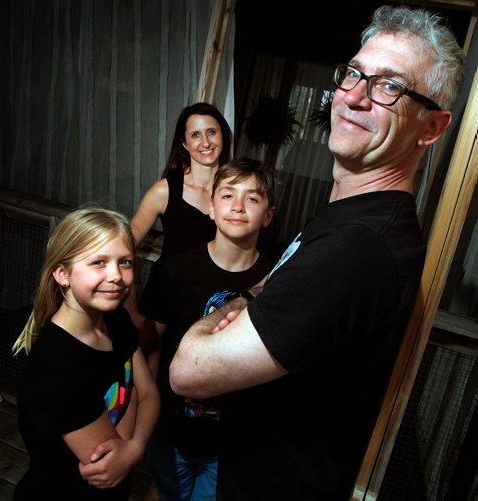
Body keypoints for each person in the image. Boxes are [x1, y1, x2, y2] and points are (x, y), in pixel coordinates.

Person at [169, 5, 465, 500]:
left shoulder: (358, 247)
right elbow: (271, 291)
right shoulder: (347, 216)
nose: (353, 98)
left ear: (431, 128)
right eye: (353, 74)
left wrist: (226, 311)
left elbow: (189, 370)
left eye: (389, 86)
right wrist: (250, 301)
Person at [142, 159, 277, 500]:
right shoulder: (175, 271)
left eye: (252, 198)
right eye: (228, 195)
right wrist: (149, 414)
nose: (238, 206)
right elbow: (151, 345)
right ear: (212, 209)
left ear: (269, 215)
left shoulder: (277, 280)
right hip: (171, 431)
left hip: (235, 443)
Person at [12, 207, 160, 500]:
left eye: (125, 262)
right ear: (62, 274)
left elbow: (151, 395)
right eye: (98, 262)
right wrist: (134, 442)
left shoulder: (116, 319)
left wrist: (136, 446)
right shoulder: (56, 367)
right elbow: (109, 467)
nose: (116, 276)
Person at [125, 102, 232, 331]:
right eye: (195, 135)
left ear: (223, 136)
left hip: (210, 304)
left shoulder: (234, 192)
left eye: (212, 132)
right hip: (164, 298)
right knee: (148, 365)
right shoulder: (164, 190)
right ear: (184, 143)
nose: (205, 142)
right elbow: (125, 245)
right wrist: (129, 303)